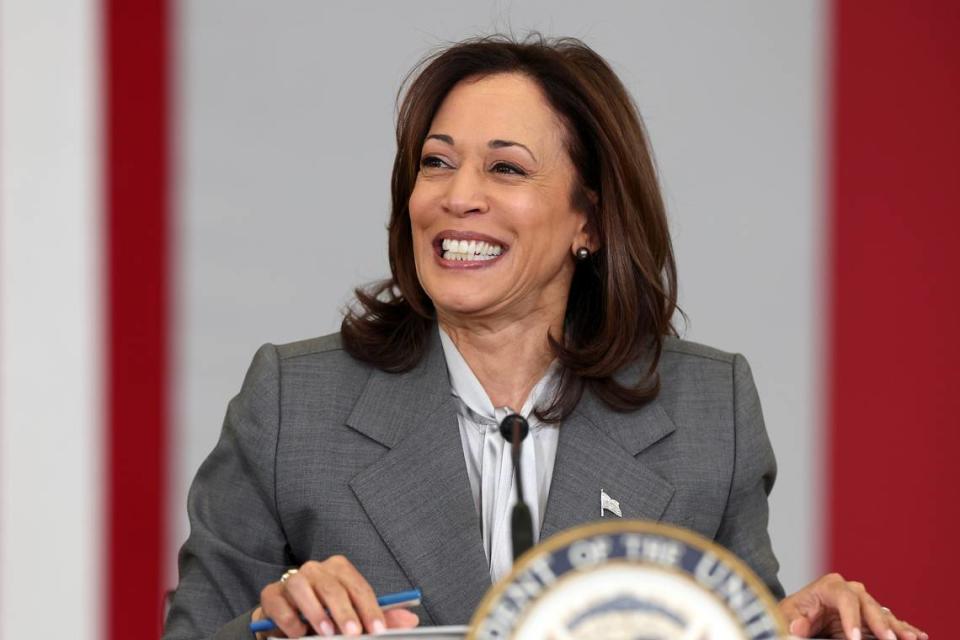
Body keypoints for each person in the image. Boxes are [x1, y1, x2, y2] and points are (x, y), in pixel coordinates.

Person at [163, 36, 927, 640]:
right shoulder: (294, 404)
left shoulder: (707, 413)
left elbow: (742, 628)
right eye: (436, 163)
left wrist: (812, 629)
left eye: (505, 168)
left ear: (588, 221)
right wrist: (274, 631)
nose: (459, 197)